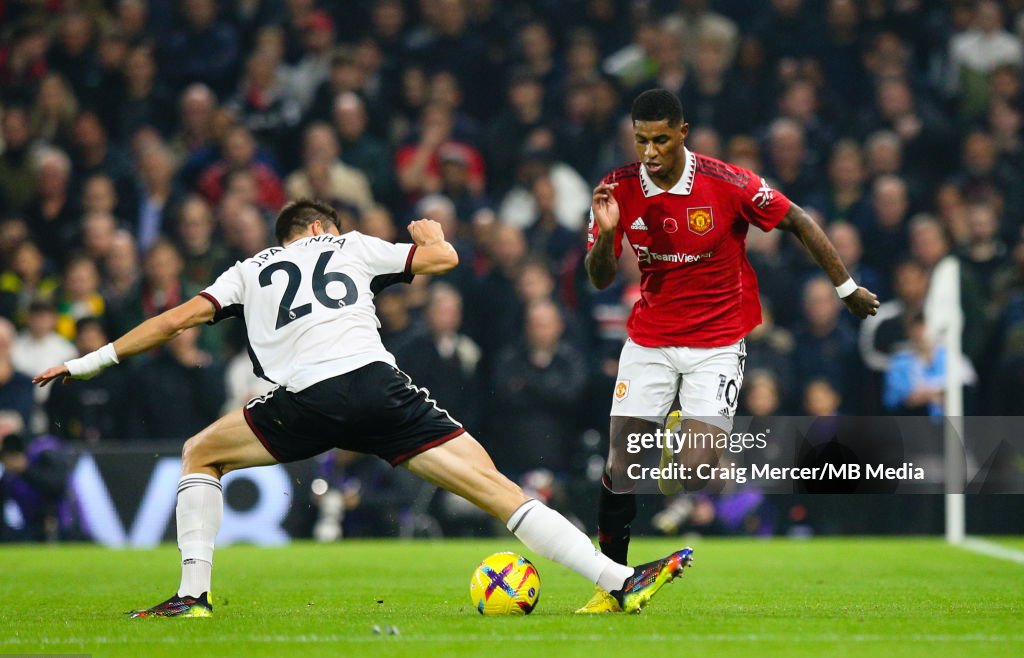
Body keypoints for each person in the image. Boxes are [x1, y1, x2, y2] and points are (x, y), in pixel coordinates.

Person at [35, 198, 692, 618]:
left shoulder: (245, 271)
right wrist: (431, 232)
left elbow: (174, 321)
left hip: (308, 399)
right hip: (379, 387)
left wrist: (84, 361)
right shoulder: (347, 244)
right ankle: (617, 577)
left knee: (199, 454)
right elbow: (443, 257)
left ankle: (192, 595)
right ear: (320, 228)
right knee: (496, 488)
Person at [579, 89, 879, 613]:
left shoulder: (728, 182)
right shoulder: (616, 191)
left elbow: (799, 221)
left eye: (661, 139)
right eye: (641, 139)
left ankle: (676, 434)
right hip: (650, 338)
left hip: (717, 343)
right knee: (621, 462)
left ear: (683, 132)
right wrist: (606, 238)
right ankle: (614, 585)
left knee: (694, 472)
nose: (650, 151)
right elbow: (601, 278)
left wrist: (846, 288)